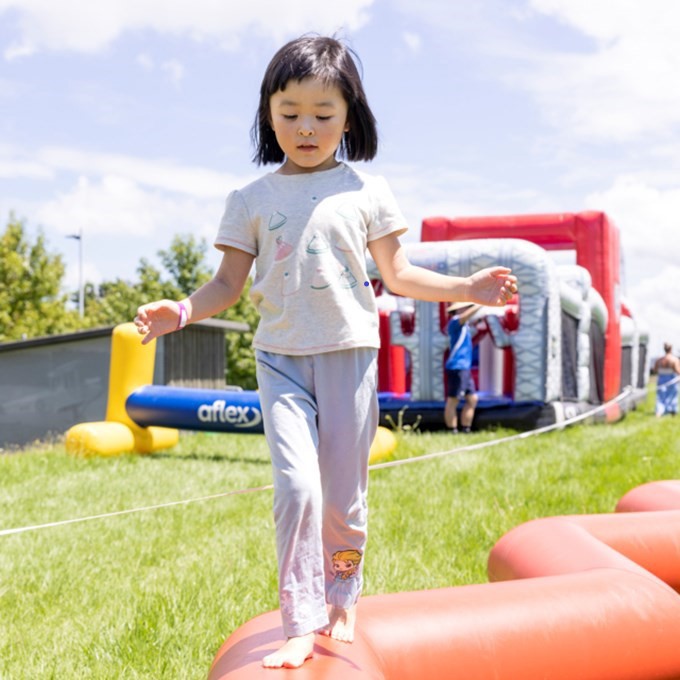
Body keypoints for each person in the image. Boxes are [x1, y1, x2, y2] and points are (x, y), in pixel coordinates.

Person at [133, 35, 518, 670]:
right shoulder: (250, 200)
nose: (305, 127)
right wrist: (178, 311)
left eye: (323, 113)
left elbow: (399, 275)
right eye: (289, 114)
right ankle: (299, 618)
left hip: (349, 355)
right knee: (297, 489)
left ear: (349, 115)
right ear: (268, 113)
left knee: (343, 498)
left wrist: (466, 288)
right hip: (280, 359)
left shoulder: (367, 189)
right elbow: (227, 285)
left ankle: (343, 593)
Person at [444, 302, 481, 433]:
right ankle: (452, 430)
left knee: (472, 399)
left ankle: (466, 429)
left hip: (465, 367)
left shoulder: (464, 326)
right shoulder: (455, 322)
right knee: (453, 400)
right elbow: (466, 316)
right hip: (457, 367)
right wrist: (481, 303)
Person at [654, 342, 680, 417]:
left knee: (660, 396)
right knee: (672, 396)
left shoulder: (659, 360)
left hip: (661, 379)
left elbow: (655, 370)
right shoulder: (674, 359)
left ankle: (659, 412)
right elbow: (678, 371)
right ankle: (672, 412)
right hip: (671, 379)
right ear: (671, 349)